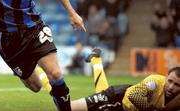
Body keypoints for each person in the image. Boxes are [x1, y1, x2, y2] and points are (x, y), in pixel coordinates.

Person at [37, 48, 180, 111]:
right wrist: (153, 109)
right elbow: (133, 95)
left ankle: (96, 59)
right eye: (170, 81)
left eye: (177, 85)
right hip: (117, 99)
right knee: (66, 108)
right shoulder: (155, 82)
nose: (171, 86)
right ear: (166, 77)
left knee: (101, 90)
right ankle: (40, 72)